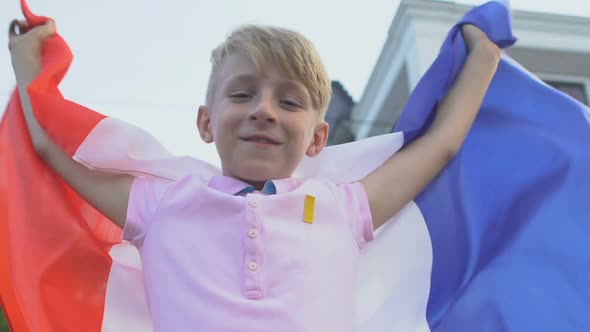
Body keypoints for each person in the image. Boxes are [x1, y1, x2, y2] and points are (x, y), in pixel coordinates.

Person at [8, 18, 500, 331]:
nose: (264, 111)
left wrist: (484, 59)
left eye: (288, 102)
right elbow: (55, 148)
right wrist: (28, 64)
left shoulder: (343, 208)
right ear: (206, 122)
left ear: (317, 139)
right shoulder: (160, 204)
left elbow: (440, 147)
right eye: (242, 94)